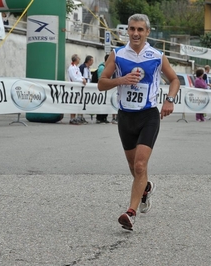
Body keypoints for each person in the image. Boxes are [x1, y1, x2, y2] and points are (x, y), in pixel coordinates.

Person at [97, 13, 180, 231]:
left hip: (148, 115)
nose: (135, 33)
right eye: (132, 29)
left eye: (140, 30)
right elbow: (101, 83)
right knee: (134, 168)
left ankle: (130, 212)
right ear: (127, 31)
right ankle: (146, 188)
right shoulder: (117, 55)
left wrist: (169, 100)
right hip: (125, 117)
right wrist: (121, 80)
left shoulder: (156, 55)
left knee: (140, 165)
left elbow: (174, 79)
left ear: (147, 32)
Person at [95, 54, 118, 124]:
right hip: (103, 89)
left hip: (108, 88)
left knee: (107, 103)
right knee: (102, 103)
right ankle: (100, 118)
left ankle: (104, 117)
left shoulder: (110, 67)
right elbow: (100, 79)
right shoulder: (102, 67)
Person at [67, 54, 87, 125]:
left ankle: (77, 117)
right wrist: (82, 80)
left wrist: (83, 78)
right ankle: (72, 118)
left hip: (78, 88)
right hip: (73, 88)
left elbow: (80, 76)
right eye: (79, 58)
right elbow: (74, 78)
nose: (80, 59)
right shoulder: (71, 68)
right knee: (73, 102)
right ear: (76, 59)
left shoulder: (76, 68)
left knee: (78, 102)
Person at [77, 55, 94, 125]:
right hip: (82, 87)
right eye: (92, 60)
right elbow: (80, 76)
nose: (93, 62)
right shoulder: (82, 67)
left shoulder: (88, 68)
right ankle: (79, 116)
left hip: (87, 87)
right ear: (89, 61)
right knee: (80, 101)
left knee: (84, 101)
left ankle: (82, 116)